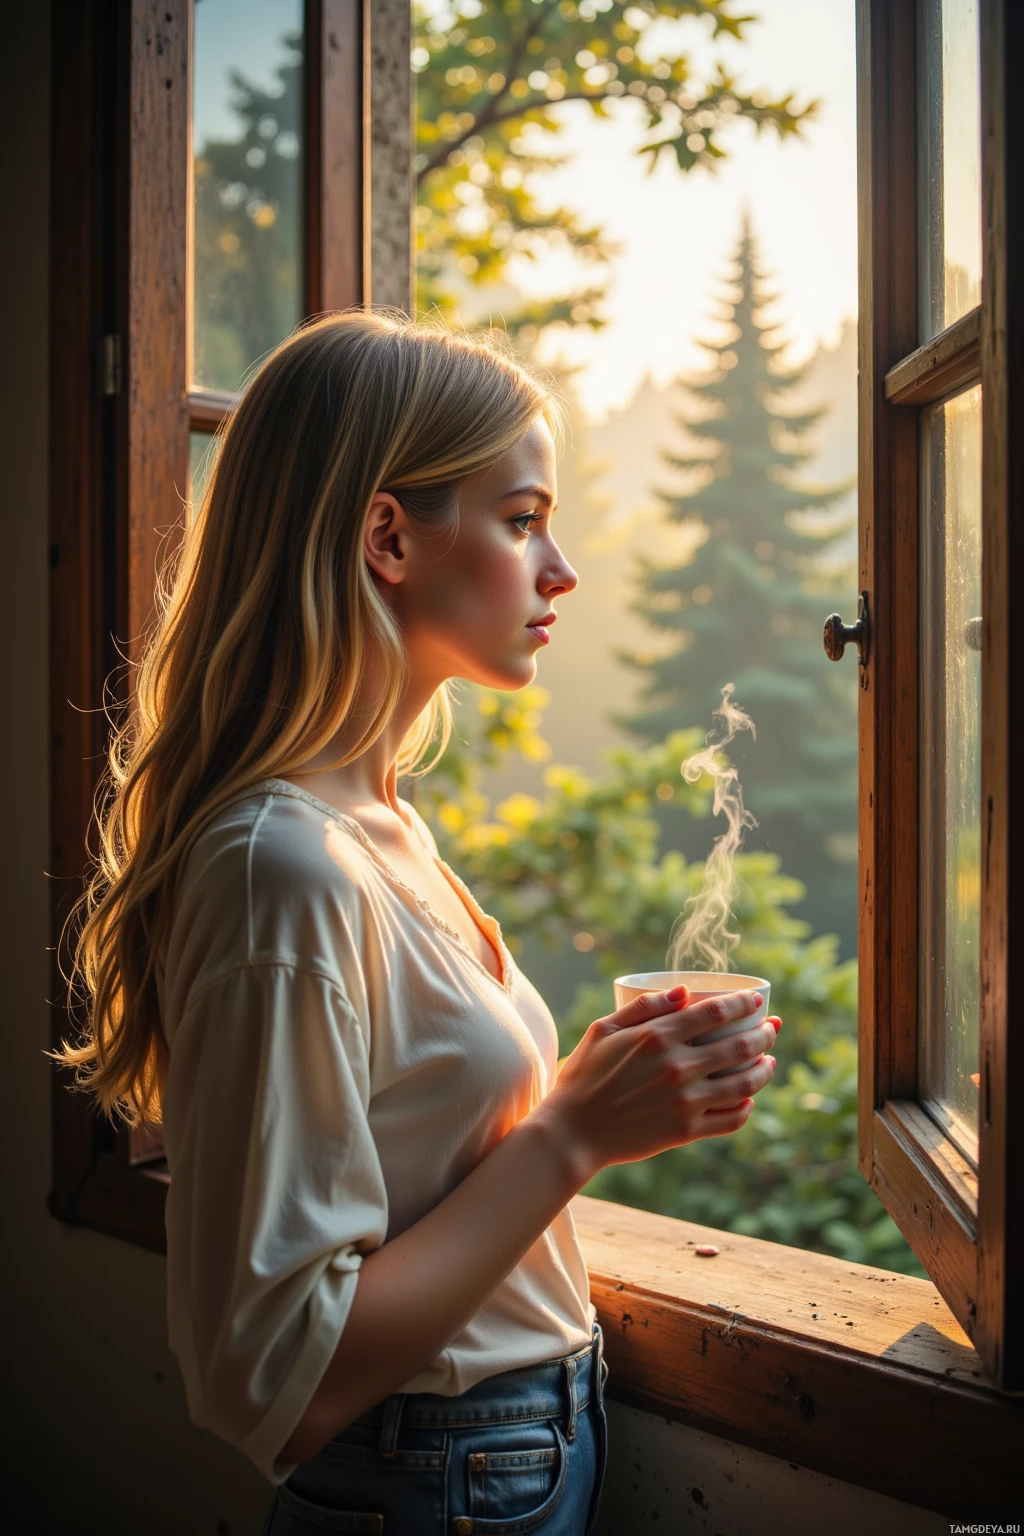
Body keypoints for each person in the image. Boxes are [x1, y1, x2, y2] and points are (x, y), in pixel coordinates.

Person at [56, 311, 780, 1535]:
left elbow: (423, 1162)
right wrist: (574, 1132)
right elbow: (268, 1383)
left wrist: (605, 1094)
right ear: (387, 537)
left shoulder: (380, 825)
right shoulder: (281, 868)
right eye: (523, 519)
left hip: (507, 1458)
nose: (561, 570)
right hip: (436, 1485)